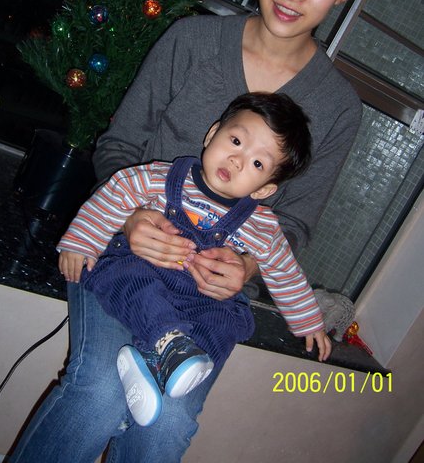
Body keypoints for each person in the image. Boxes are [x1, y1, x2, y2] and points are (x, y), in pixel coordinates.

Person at [8, 0, 367, 463]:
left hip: (206, 295)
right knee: (99, 394)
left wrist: (246, 266)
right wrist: (132, 218)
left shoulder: (338, 107)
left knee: (167, 423)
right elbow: (119, 147)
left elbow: (294, 223)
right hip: (123, 257)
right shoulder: (190, 42)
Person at [57, 92, 330, 428]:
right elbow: (113, 196)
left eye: (258, 164)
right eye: (235, 141)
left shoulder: (262, 226)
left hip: (201, 299)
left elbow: (285, 272)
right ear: (212, 134)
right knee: (127, 274)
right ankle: (165, 345)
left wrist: (309, 323)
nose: (237, 160)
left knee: (225, 322)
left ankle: (158, 373)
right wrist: (81, 242)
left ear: (263, 190)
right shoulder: (159, 176)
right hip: (147, 271)